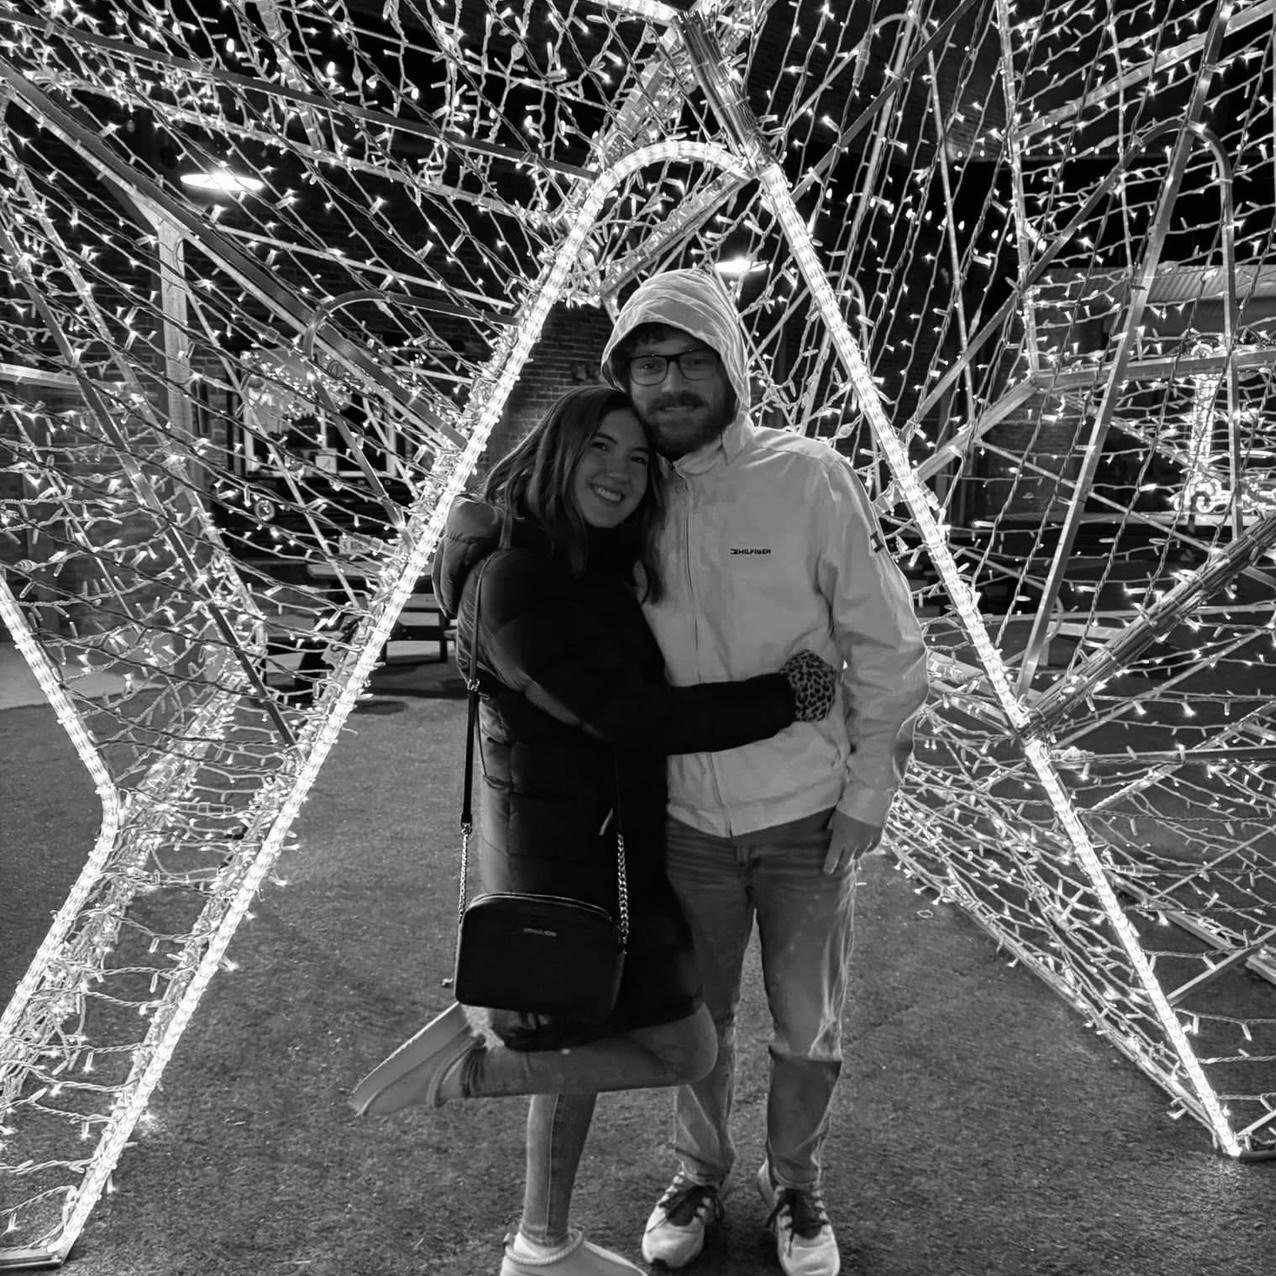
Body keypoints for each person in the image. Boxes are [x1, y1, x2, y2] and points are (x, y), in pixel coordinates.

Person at [349, 384, 842, 1276]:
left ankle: (540, 1246)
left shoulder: (571, 556)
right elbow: (630, 714)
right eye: (600, 449)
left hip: (598, 843)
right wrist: (786, 697)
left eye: (637, 457)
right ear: (555, 451)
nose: (621, 472)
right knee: (685, 1044)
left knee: (577, 1046)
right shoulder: (515, 577)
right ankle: (470, 1074)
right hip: (569, 863)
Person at [599, 268, 929, 1276]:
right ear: (624, 380)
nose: (670, 383)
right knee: (693, 1022)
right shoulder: (625, 495)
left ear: (732, 366)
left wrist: (866, 794)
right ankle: (697, 1171)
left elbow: (887, 646)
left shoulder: (807, 476)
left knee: (807, 1028)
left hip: (804, 819)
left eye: (690, 359)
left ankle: (797, 1183)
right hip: (684, 825)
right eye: (647, 365)